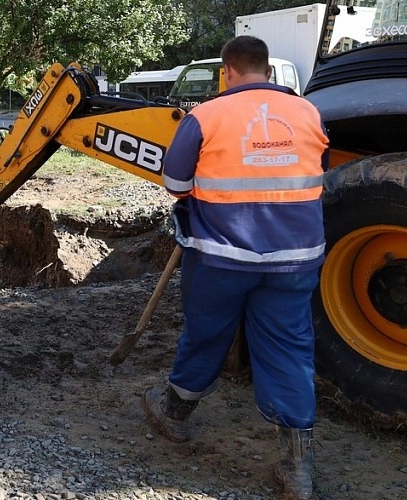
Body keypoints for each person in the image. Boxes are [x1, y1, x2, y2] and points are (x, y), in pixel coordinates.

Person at [143, 35, 329, 499]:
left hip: (222, 257)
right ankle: (297, 468)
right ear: (266, 69)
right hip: (295, 257)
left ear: (226, 71)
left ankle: (173, 414)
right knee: (290, 348)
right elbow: (313, 166)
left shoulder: (205, 116)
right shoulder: (307, 112)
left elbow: (174, 181)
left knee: (206, 333)